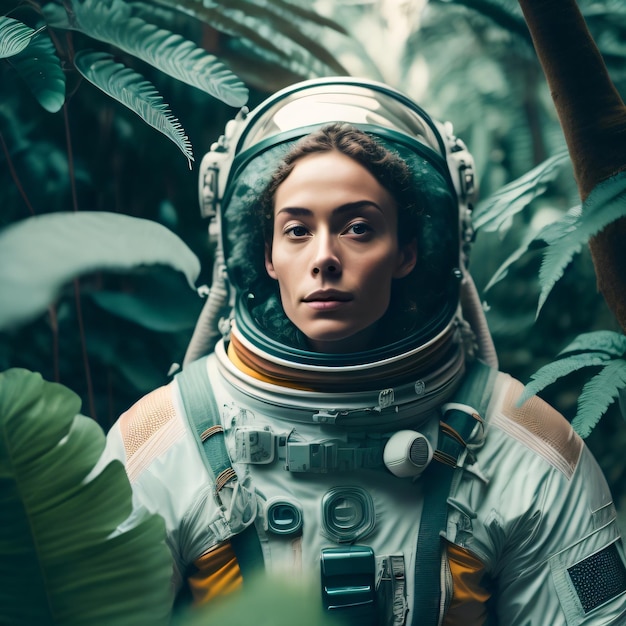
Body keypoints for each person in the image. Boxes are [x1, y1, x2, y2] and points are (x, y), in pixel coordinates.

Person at [101, 0, 626, 624]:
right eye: (296, 231)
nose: (324, 258)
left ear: (409, 252)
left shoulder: (529, 454)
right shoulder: (165, 443)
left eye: (357, 228)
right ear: (263, 254)